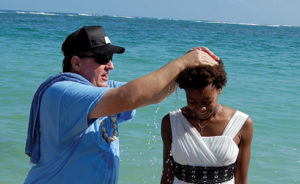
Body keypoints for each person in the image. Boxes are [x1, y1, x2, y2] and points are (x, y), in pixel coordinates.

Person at [24, 25, 220, 184]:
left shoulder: (102, 89)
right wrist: (182, 62)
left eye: (111, 58)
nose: (111, 65)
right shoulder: (63, 93)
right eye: (102, 59)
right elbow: (129, 96)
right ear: (76, 63)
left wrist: (190, 64)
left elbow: (152, 95)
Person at [161, 59, 253, 184]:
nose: (200, 108)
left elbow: (241, 180)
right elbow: (167, 173)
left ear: (219, 89)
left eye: (207, 102)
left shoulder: (242, 123)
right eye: (192, 101)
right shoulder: (171, 122)